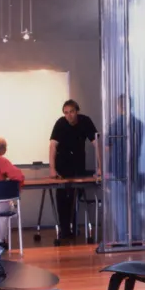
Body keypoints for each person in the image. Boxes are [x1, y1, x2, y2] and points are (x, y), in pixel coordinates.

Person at [48, 99, 98, 243]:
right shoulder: (60, 123)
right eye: (66, 113)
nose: (68, 115)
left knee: (76, 195)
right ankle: (65, 230)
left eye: (71, 112)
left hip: (78, 163)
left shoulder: (85, 121)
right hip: (62, 164)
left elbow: (96, 143)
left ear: (77, 111)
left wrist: (101, 166)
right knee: (63, 197)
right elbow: (52, 146)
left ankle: (74, 227)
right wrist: (52, 168)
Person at [105, 93, 144, 242]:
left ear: (118, 106)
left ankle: (123, 239)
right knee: (132, 206)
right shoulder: (139, 124)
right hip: (133, 171)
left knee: (119, 209)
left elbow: (107, 147)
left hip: (116, 172)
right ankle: (136, 238)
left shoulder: (115, 125)